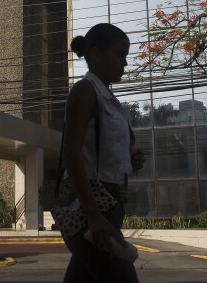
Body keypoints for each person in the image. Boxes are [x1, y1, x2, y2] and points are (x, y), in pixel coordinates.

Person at [62, 23, 144, 283]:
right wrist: (94, 216)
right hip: (93, 209)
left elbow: (97, 153)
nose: (125, 63)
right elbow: (71, 153)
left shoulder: (106, 95)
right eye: (120, 54)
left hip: (110, 206)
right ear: (96, 54)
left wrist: (128, 161)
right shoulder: (85, 90)